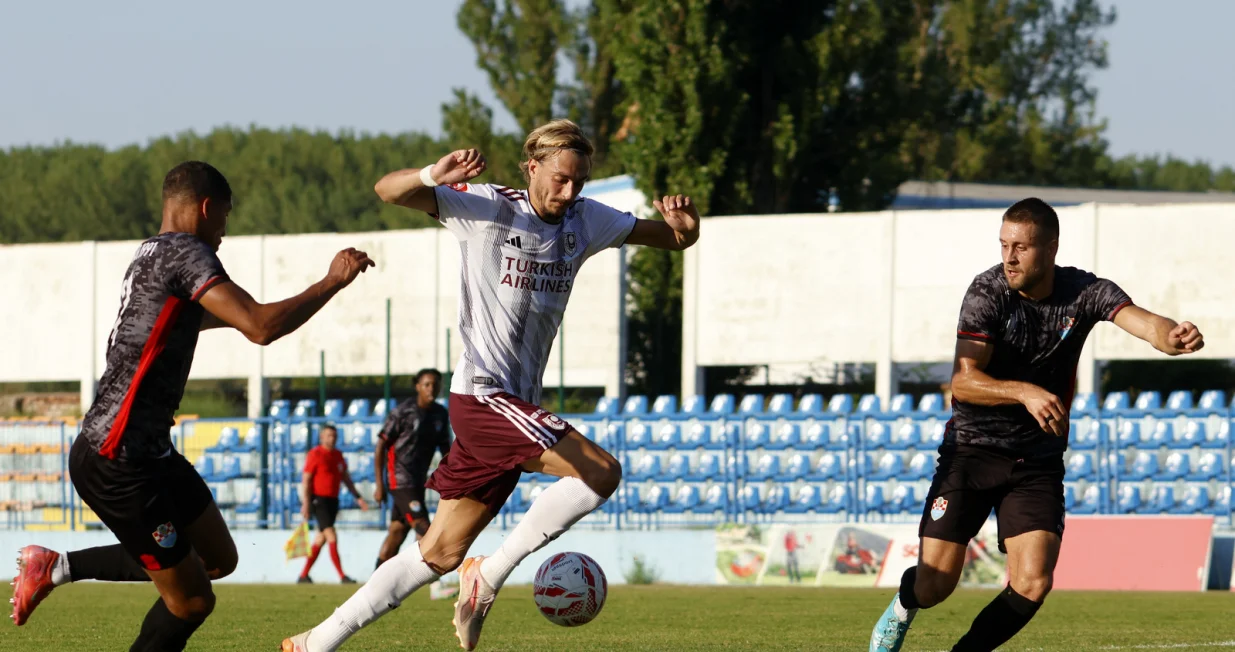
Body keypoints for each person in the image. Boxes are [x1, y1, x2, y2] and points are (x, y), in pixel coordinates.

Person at [281, 119, 701, 652]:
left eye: (580, 182)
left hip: (514, 408)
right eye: (561, 179)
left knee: (439, 553)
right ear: (533, 167)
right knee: (601, 471)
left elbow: (671, 238)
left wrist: (689, 227)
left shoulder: (585, 220)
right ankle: (493, 573)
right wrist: (435, 173)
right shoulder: (484, 205)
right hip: (482, 396)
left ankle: (316, 642)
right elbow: (388, 191)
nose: (570, 192)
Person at [9, 161, 374, 652]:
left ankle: (58, 567)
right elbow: (260, 328)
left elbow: (182, 323)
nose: (223, 233)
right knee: (192, 602)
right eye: (224, 218)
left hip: (148, 450)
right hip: (119, 459)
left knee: (218, 558)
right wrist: (331, 281)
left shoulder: (148, 254)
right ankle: (58, 569)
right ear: (207, 208)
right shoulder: (188, 251)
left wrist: (246, 314)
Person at [869, 198, 1204, 652]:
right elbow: (964, 382)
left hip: (1036, 461)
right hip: (971, 452)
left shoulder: (1084, 292)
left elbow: (1144, 323)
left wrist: (1171, 336)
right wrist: (1023, 391)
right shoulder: (988, 291)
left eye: (1022, 247)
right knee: (935, 584)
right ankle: (903, 607)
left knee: (1033, 581)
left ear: (1051, 248)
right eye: (1004, 244)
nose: (1009, 257)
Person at [372, 368, 450, 567]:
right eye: (426, 384)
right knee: (425, 528)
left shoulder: (440, 414)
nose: (431, 388)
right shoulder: (403, 412)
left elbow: (446, 451)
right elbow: (381, 445)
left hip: (418, 481)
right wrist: (380, 484)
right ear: (418, 387)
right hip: (400, 479)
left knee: (397, 533)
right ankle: (436, 585)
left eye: (435, 384)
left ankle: (375, 586)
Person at [298, 424, 370, 584]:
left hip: (333, 500)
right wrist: (306, 502)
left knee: (320, 539)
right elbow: (307, 479)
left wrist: (358, 497)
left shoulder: (338, 455)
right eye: (329, 435)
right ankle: (342, 576)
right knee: (331, 535)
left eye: (334, 436)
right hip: (319, 500)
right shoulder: (315, 454)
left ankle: (303, 575)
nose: (333, 438)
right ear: (322, 437)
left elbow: (345, 478)